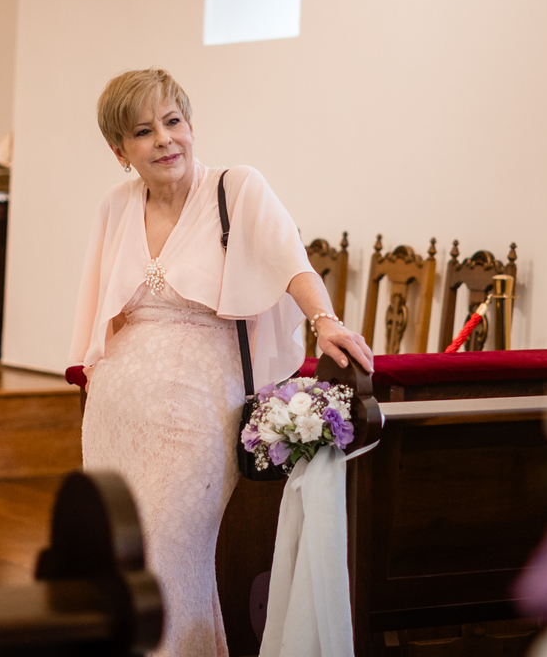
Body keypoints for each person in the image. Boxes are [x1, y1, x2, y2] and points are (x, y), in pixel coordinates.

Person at [68, 68, 373, 657]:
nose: (163, 139)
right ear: (119, 150)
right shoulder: (115, 206)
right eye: (142, 131)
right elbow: (102, 314)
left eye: (173, 122)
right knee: (117, 557)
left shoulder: (237, 188)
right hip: (116, 418)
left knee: (164, 555)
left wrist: (325, 321)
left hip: (196, 414)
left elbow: (292, 263)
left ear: (189, 125)